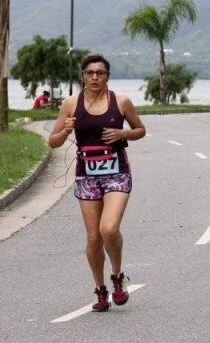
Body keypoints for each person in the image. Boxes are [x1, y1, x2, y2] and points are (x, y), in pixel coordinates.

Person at [48, 54, 146, 312]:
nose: (94, 77)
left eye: (100, 73)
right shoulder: (71, 104)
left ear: (107, 76)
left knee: (109, 229)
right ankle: (99, 289)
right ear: (83, 75)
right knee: (93, 237)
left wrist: (123, 133)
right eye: (90, 73)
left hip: (117, 173)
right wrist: (66, 130)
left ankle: (117, 277)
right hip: (87, 175)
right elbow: (53, 141)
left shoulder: (120, 101)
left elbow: (140, 129)